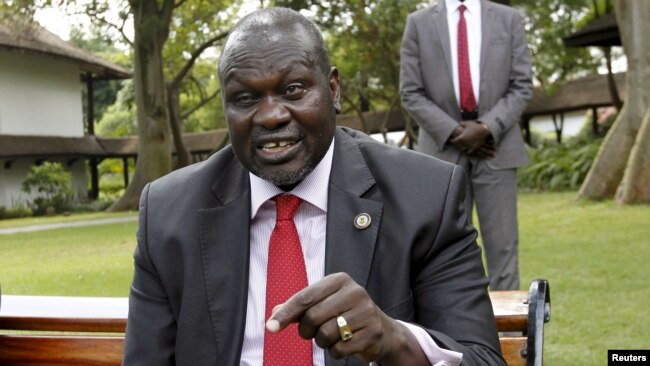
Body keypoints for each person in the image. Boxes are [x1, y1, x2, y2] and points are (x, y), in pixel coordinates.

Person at [123, 7, 504, 366]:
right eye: (245, 98)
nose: (271, 116)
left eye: (293, 90)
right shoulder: (168, 214)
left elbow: (483, 358)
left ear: (333, 89)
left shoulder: (426, 196)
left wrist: (394, 340)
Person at [400, 0, 533, 291]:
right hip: (441, 153)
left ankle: (506, 332)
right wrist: (454, 132)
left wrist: (487, 128)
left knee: (503, 251)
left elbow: (522, 84)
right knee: (443, 254)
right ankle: (454, 334)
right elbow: (410, 91)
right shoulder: (418, 23)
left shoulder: (508, 19)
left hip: (497, 149)